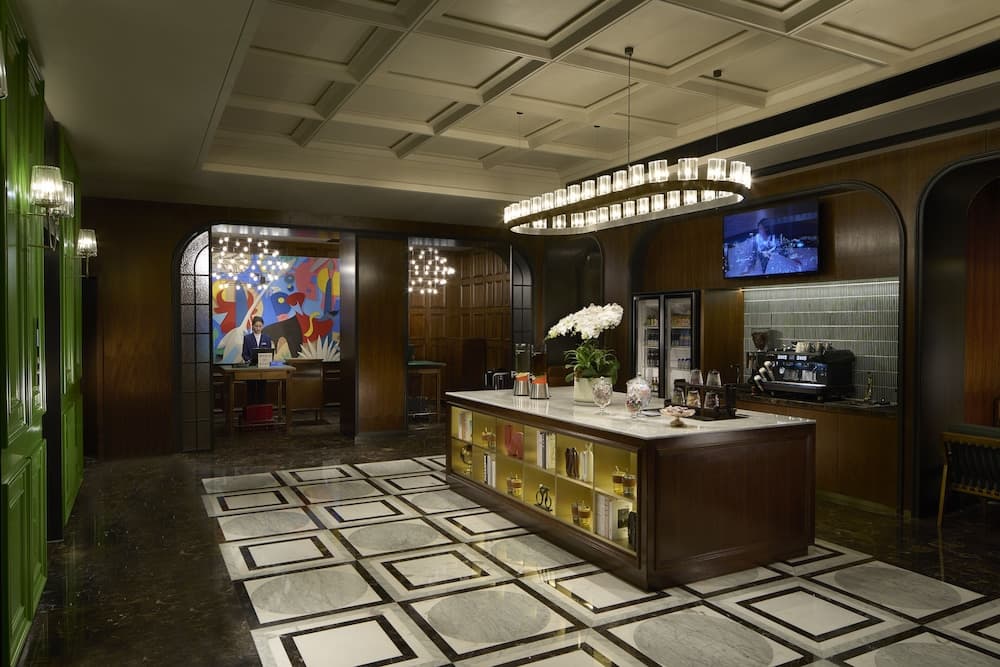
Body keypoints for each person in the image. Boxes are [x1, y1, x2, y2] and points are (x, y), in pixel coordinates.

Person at [242, 316, 273, 404]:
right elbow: (244, 354)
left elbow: (270, 354)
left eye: (260, 326)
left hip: (263, 369)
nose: (258, 328)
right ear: (252, 326)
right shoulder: (247, 338)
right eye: (256, 326)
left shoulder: (267, 338)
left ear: (262, 326)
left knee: (262, 389)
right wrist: (249, 361)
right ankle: (251, 408)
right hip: (251, 369)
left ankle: (261, 408)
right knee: (251, 390)